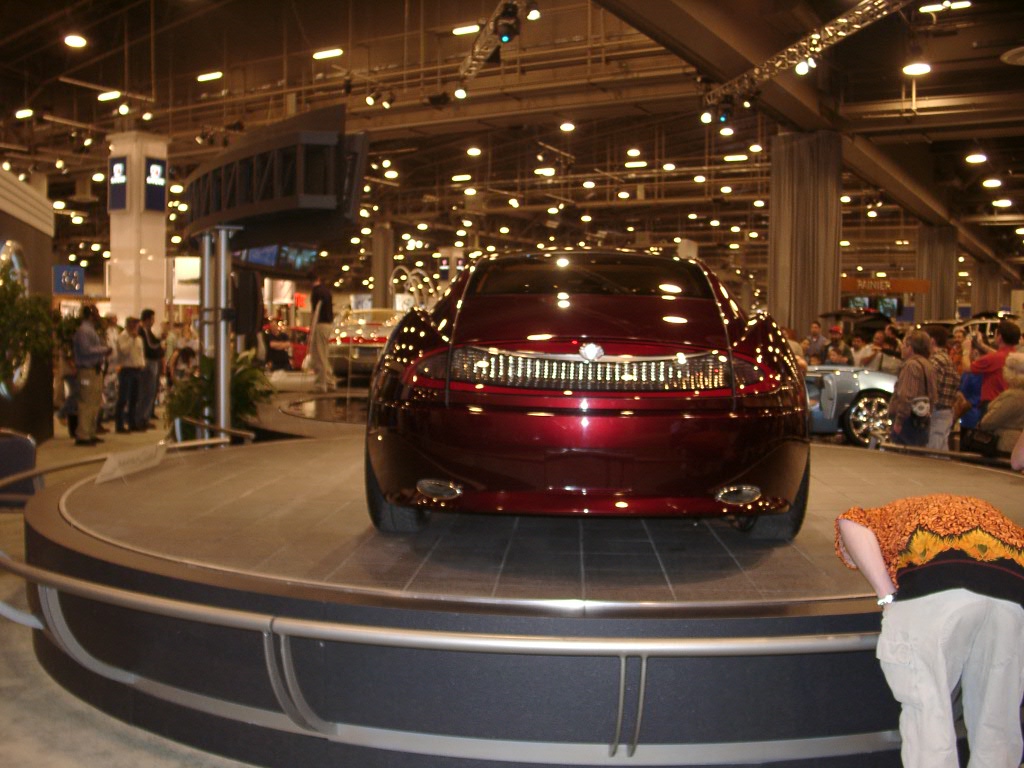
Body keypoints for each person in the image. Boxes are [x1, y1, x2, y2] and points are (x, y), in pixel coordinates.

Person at [834, 494, 1024, 768]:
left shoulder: (888, 516)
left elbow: (849, 522)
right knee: (998, 716)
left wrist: (887, 596)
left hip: (935, 590)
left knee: (928, 711)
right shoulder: (993, 518)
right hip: (1011, 596)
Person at [887, 329, 937, 447]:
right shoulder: (928, 365)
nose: (901, 348)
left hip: (908, 422)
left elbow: (906, 396)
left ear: (910, 347)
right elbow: (933, 395)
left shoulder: (911, 365)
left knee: (901, 454)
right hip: (922, 419)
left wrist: (899, 421)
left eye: (904, 345)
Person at [71, 305, 112, 446]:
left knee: (94, 402)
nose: (98, 316)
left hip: (95, 370)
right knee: (86, 403)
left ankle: (90, 432)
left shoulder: (91, 330)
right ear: (90, 315)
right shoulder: (83, 330)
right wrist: (104, 350)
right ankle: (83, 435)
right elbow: (86, 350)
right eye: (96, 313)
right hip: (86, 371)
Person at [974, 351, 1024, 456]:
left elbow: (990, 421)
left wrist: (981, 424)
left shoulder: (1012, 396)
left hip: (1004, 444)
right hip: (1018, 445)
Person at [969, 319, 1021, 417]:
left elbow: (968, 367)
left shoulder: (993, 359)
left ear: (999, 337)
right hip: (1010, 403)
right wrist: (982, 345)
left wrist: (966, 349)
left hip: (991, 404)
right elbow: (998, 354)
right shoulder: (1016, 357)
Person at [924, 325, 959, 451]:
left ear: (932, 341)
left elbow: (932, 389)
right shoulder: (947, 358)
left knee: (933, 451)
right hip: (946, 411)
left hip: (937, 412)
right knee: (941, 448)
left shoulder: (935, 361)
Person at [114, 317, 145, 433]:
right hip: (126, 370)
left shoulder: (139, 338)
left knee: (134, 398)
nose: (136, 326)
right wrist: (131, 338)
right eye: (134, 324)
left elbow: (140, 353)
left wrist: (142, 364)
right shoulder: (123, 336)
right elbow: (124, 351)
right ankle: (119, 425)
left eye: (137, 324)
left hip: (137, 369)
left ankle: (132, 422)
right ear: (128, 324)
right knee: (123, 398)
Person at [137, 308, 165, 427]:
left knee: (150, 392)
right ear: (147, 319)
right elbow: (150, 346)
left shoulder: (147, 331)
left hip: (152, 362)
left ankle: (145, 417)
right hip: (148, 362)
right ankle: (141, 418)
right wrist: (160, 343)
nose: (153, 321)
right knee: (146, 391)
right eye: (152, 319)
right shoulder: (142, 331)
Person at [309, 271, 335, 393]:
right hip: (328, 325)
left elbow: (316, 312)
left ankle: (321, 385)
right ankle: (329, 382)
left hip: (320, 325)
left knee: (319, 355)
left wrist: (311, 329)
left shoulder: (316, 292)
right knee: (324, 354)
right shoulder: (326, 291)